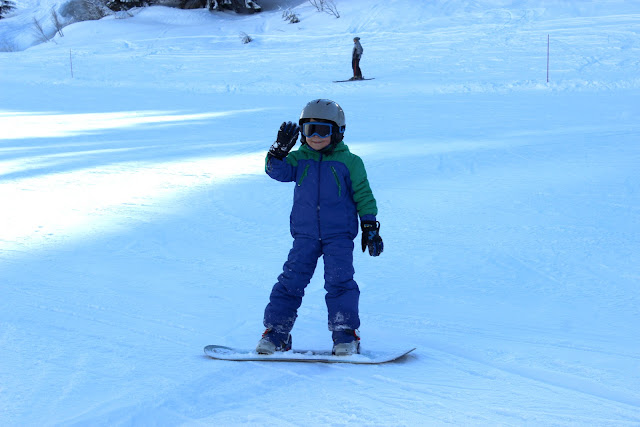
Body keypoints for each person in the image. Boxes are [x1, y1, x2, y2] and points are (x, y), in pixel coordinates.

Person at [256, 99, 384, 356]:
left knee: (340, 283)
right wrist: (278, 151)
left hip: (339, 235)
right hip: (305, 236)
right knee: (290, 282)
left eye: (322, 130)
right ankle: (276, 333)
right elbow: (275, 171)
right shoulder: (298, 159)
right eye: (309, 129)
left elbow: (363, 193)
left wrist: (369, 224)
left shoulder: (351, 162)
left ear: (338, 132)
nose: (315, 136)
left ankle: (346, 335)